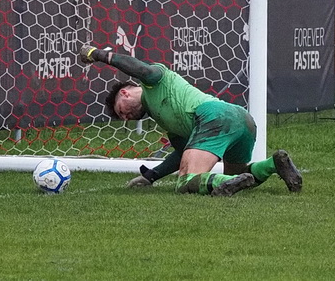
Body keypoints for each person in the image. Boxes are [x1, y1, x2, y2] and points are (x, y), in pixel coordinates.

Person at [79, 45, 303, 197]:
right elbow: (181, 154)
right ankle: (274, 163)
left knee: (186, 181)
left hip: (213, 115)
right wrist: (151, 176)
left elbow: (139, 68)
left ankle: (218, 185)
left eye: (122, 111)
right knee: (236, 176)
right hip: (241, 119)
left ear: (126, 93)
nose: (126, 118)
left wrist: (97, 54)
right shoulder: (165, 118)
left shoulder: (153, 80)